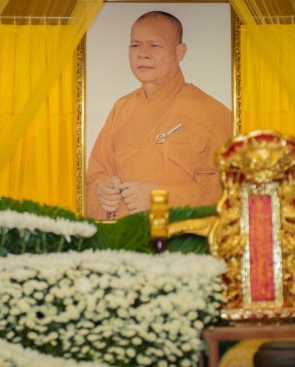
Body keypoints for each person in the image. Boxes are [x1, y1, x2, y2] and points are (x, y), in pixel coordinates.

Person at [86, 10, 233, 220]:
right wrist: (102, 190)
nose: (143, 54)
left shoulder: (211, 112)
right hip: (124, 234)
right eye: (135, 45)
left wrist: (161, 198)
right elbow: (95, 176)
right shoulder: (122, 108)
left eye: (154, 45)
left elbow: (228, 190)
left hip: (181, 237)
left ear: (179, 52)